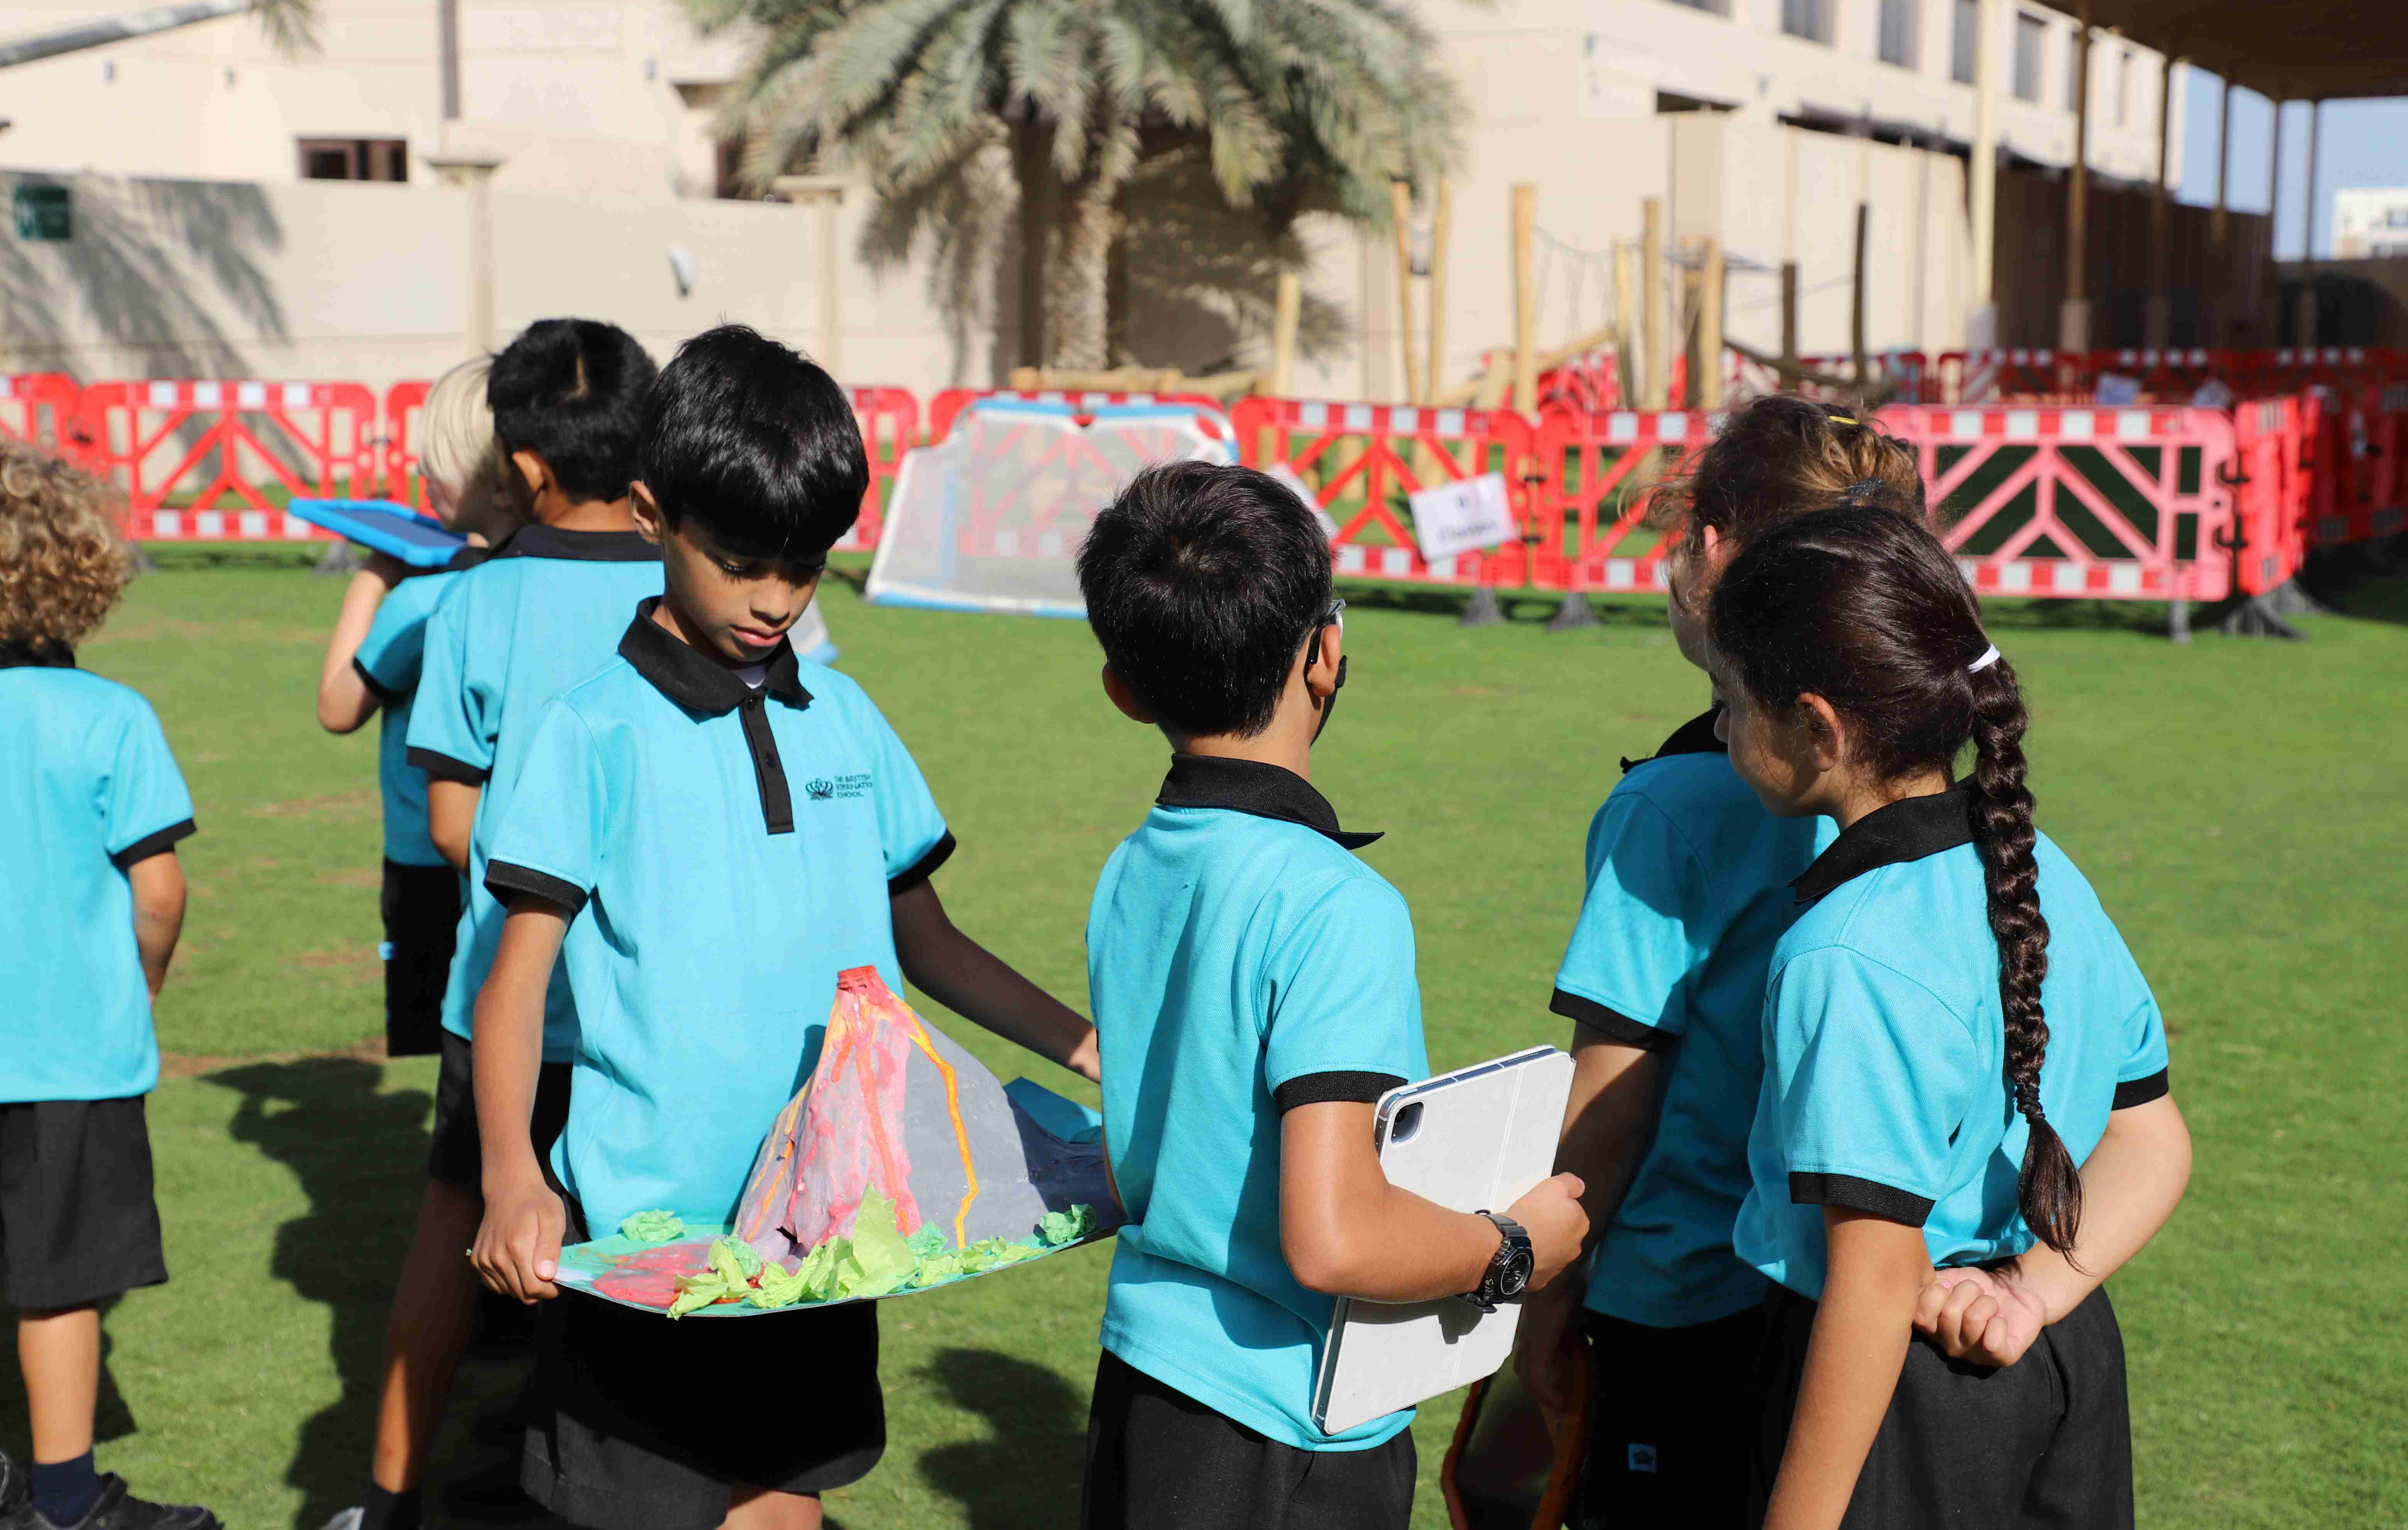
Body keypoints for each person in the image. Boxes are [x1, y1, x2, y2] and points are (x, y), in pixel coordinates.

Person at [467, 324, 1101, 1530]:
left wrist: (1085, 1047)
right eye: (743, 560)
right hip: (653, 1251)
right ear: (655, 514)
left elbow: (932, 943)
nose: (775, 599)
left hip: (822, 1232)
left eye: (804, 568)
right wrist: (511, 1175)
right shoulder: (589, 733)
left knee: (783, 1504)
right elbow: (515, 984)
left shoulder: (848, 720)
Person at [1071, 460, 1590, 1530]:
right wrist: (1516, 1248)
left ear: (1122, 690)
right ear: (1329, 651)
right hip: (1286, 1426)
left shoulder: (1133, 863)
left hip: (1145, 1382)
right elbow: (1336, 1239)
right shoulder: (1334, 903)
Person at [1709, 505, 2193, 1530]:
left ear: (1817, 727)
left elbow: (1876, 1281)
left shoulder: (1843, 953)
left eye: (1727, 700)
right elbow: (2154, 1141)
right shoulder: (2043, 872)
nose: (1716, 729)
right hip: (2063, 1373)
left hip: (1892, 1405)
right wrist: (2029, 1292)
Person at [1505, 399, 1911, 1530]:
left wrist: (1541, 1299)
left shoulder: (1672, 806)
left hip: (1675, 1291)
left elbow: (1613, 1100)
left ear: (1715, 551)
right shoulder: (1917, 779)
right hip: (1837, 1287)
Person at [325, 319, 661, 1530]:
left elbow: (459, 830)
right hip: (655, 999)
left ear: (521, 467)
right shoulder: (700, 588)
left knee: (455, 1226)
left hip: (506, 1000)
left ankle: (388, 1502)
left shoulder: (472, 603)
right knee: (647, 1247)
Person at [0, 447, 217, 1530]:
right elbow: (160, 889)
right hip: (66, 1053)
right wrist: (143, 978)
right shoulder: (108, 717)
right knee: (59, 1279)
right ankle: (67, 1501)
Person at [314, 355, 521, 1059]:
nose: (423, 473)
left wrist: (372, 580)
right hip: (529, 860)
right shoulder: (538, 589)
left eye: (440, 461)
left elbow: (338, 706)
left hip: (430, 864)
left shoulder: (422, 600)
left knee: (454, 1058)